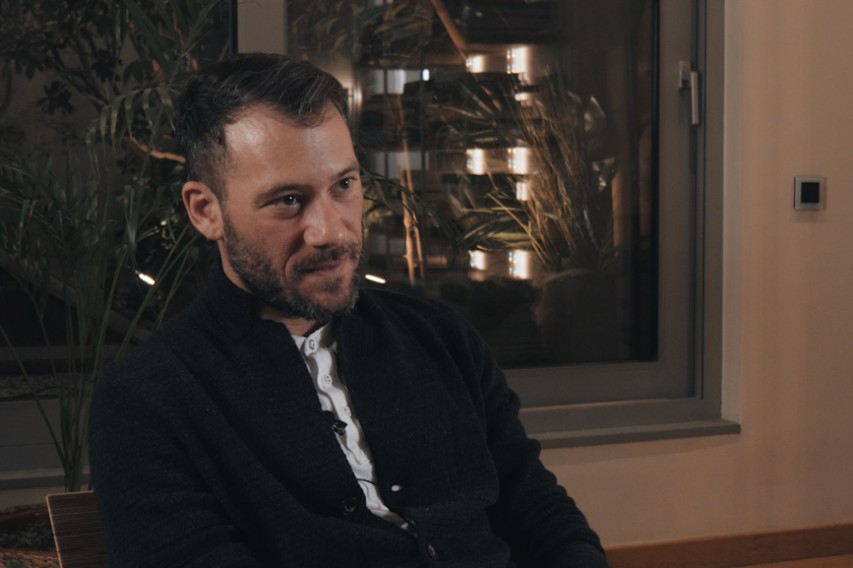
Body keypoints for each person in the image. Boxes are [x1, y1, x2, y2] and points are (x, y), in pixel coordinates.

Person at [88, 52, 609, 568]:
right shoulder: (147, 399)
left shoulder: (441, 338)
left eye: (343, 185)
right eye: (288, 200)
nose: (331, 231)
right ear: (207, 211)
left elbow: (539, 511)